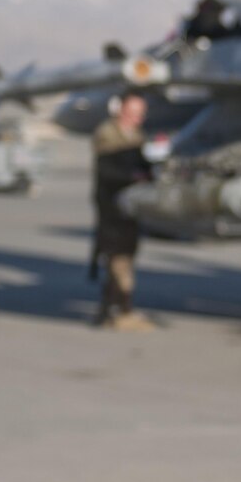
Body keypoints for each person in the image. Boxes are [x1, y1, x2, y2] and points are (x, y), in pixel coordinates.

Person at [90, 94, 152, 330]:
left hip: (130, 207)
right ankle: (123, 311)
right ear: (121, 110)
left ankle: (107, 311)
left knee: (124, 256)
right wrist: (133, 176)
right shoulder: (108, 134)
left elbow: (143, 165)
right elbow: (107, 170)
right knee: (118, 259)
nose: (137, 117)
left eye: (141, 113)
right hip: (111, 206)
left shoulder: (136, 135)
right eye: (133, 112)